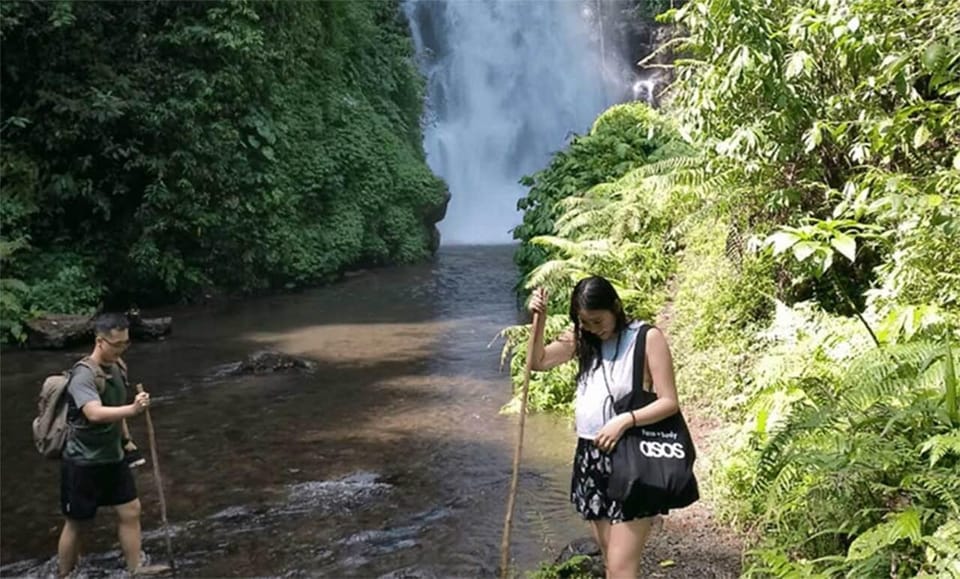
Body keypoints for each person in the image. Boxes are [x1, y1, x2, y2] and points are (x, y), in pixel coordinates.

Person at [528, 276, 681, 579]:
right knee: (611, 564)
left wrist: (625, 420)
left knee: (622, 566)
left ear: (616, 307)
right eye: (585, 322)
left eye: (598, 320)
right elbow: (538, 361)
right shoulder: (582, 339)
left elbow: (669, 401)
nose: (594, 329)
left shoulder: (646, 338)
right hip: (590, 456)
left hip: (632, 456)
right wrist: (539, 319)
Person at [58, 313, 162, 577]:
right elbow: (94, 413)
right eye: (116, 344)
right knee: (77, 523)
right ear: (99, 341)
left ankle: (135, 568)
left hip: (112, 456)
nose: (121, 349)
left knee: (130, 510)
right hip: (83, 461)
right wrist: (133, 409)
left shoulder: (118, 367)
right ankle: (64, 574)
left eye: (125, 343)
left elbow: (114, 409)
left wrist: (126, 440)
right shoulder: (83, 375)